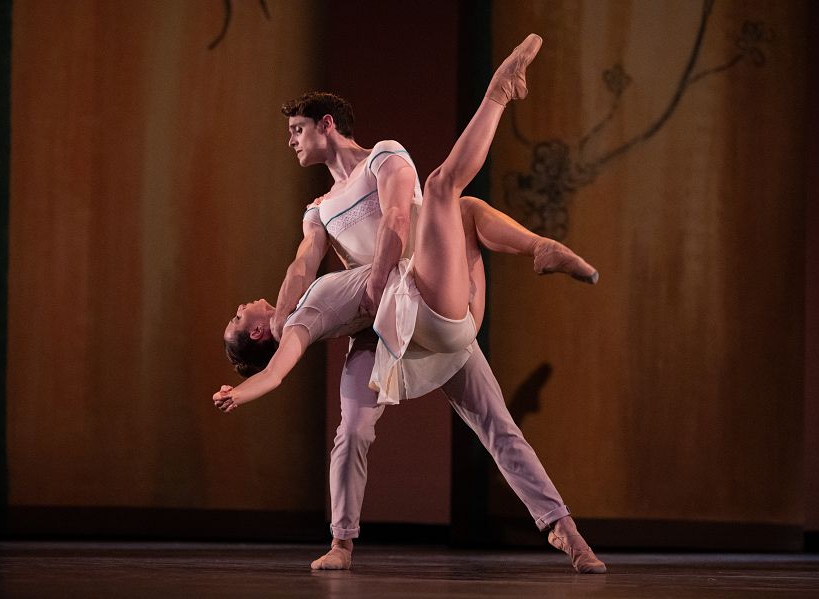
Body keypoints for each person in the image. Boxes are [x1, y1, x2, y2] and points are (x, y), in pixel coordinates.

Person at [216, 34, 606, 574]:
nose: (292, 141)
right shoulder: (320, 208)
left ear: (327, 124)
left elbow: (399, 220)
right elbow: (303, 265)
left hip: (426, 286)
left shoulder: (384, 156)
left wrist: (376, 278)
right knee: (352, 429)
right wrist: (281, 323)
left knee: (457, 204)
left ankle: (567, 532)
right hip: (382, 328)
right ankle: (342, 542)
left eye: (297, 130)